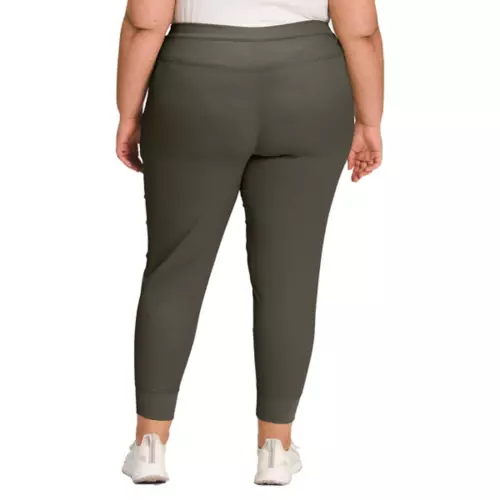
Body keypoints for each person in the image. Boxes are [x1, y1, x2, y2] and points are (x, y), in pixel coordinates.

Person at [116, 0, 383, 486]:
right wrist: (369, 120)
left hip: (196, 85)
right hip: (308, 86)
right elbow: (361, 31)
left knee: (174, 269)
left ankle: (150, 444)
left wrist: (129, 113)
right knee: (290, 276)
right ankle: (275, 449)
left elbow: (145, 21)